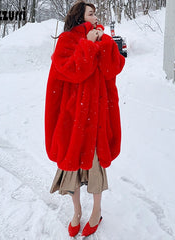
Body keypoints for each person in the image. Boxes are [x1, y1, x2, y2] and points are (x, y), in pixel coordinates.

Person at [44, 0, 125, 237]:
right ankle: (77, 212)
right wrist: (88, 45)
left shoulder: (102, 39)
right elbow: (74, 72)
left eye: (96, 13)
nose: (95, 17)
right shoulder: (67, 41)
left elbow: (114, 69)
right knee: (71, 171)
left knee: (96, 169)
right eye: (91, 13)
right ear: (80, 16)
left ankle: (96, 212)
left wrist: (105, 43)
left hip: (98, 117)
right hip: (73, 118)